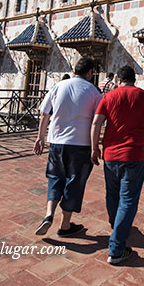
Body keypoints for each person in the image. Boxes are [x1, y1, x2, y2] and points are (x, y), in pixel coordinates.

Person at [90, 65, 144, 265]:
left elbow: (96, 123)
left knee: (112, 194)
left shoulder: (109, 97)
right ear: (134, 80)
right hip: (135, 155)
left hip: (111, 155)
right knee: (128, 199)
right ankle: (117, 248)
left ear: (119, 81)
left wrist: (93, 148)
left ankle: (117, 227)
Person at [33, 58, 101, 237]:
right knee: (74, 182)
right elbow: (97, 122)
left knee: (55, 177)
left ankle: (48, 215)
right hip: (81, 144)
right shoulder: (93, 91)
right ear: (90, 72)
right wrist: (95, 146)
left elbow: (44, 113)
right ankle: (65, 225)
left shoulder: (58, 86)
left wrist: (40, 138)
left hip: (56, 142)